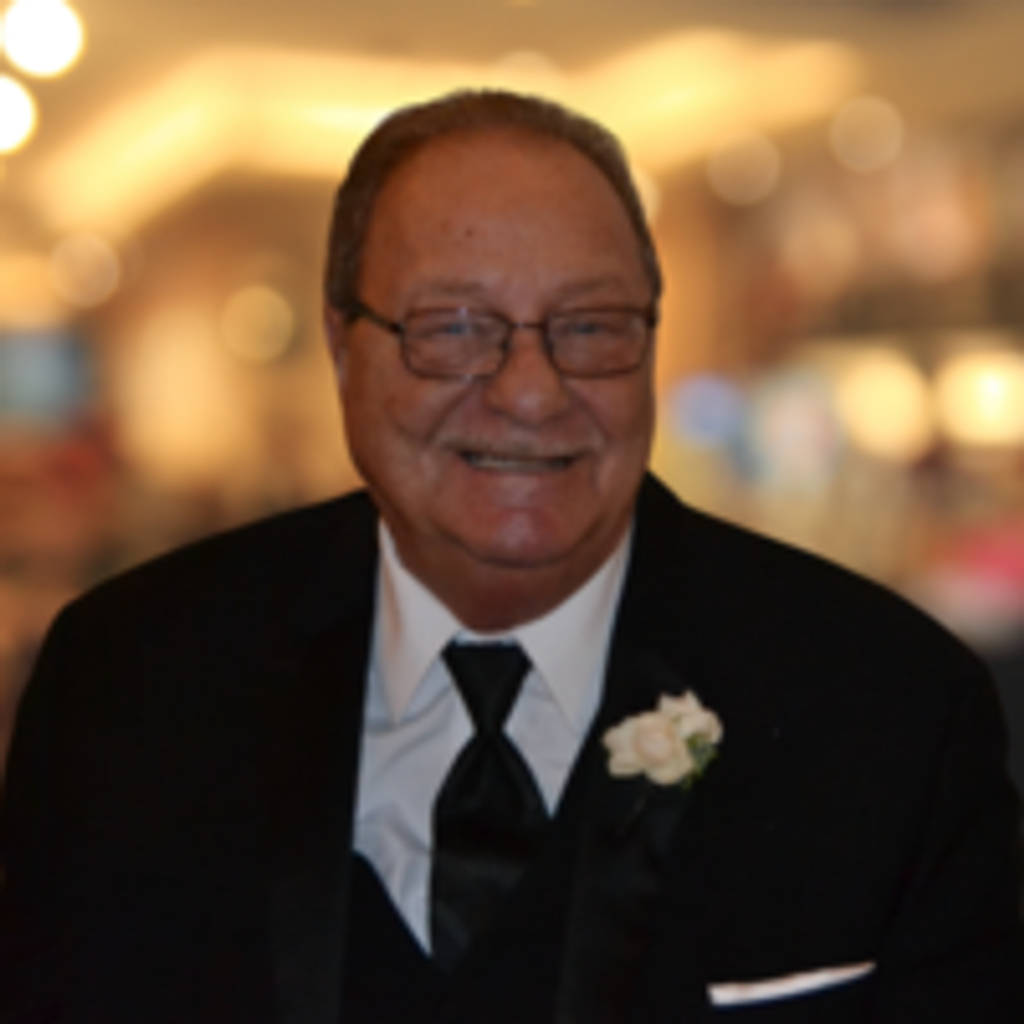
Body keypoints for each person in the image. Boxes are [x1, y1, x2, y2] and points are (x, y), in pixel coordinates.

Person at [1, 90, 1022, 1024]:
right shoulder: (130, 684)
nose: (531, 391)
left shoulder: (890, 708)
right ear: (342, 345)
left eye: (591, 326)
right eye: (453, 327)